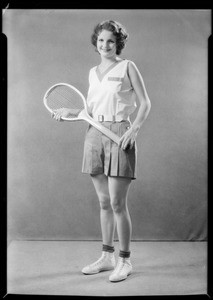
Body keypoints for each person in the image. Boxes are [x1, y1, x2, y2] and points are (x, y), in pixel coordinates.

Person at [53, 20, 151, 282]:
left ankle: (125, 260)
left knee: (118, 203)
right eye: (100, 41)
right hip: (94, 135)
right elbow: (92, 112)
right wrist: (69, 112)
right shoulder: (91, 72)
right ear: (95, 44)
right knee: (104, 202)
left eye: (110, 41)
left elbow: (145, 103)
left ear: (118, 43)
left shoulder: (128, 67)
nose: (105, 45)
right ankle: (107, 256)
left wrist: (135, 130)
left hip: (120, 134)